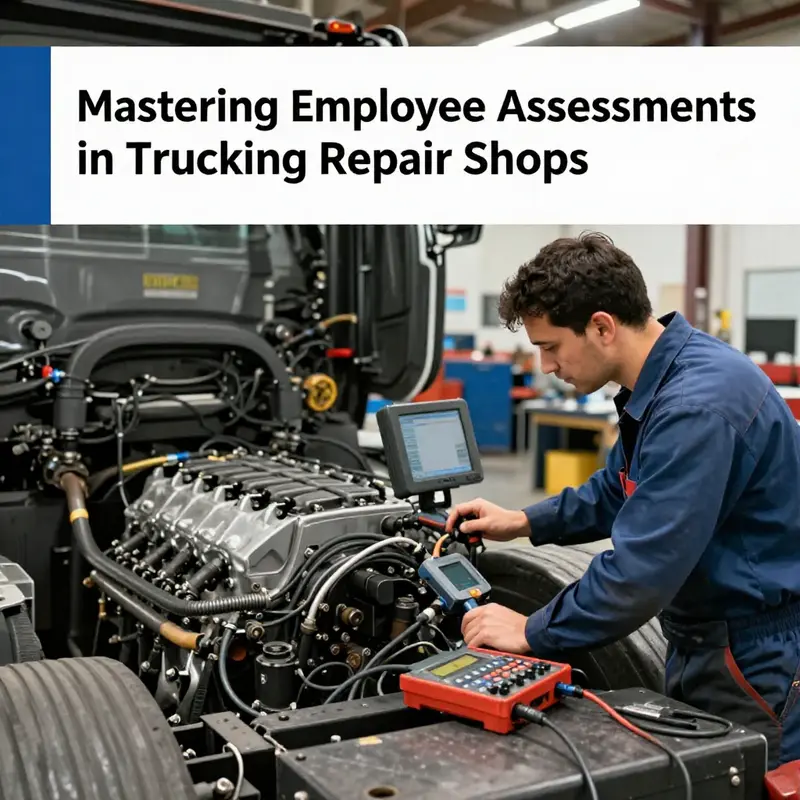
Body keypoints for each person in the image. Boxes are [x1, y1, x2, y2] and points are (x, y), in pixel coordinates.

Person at [446, 231, 800, 770]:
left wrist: (528, 628)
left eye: (550, 346)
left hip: (751, 655)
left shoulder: (696, 406)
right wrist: (520, 521)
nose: (545, 366)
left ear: (602, 327)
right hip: (706, 638)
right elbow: (620, 488)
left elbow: (642, 572)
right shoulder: (666, 380)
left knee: (740, 782)